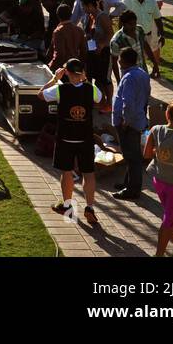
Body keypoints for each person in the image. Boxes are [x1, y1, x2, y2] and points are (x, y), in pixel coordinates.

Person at [40, 58, 103, 227]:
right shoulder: (91, 89)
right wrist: (86, 79)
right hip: (85, 137)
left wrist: (54, 78)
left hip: (66, 137)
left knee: (66, 171)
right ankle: (89, 207)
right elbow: (99, 98)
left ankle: (67, 206)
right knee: (88, 173)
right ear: (82, 73)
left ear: (66, 72)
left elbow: (40, 95)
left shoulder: (60, 89)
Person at [143, 102, 173, 257]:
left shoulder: (155, 130)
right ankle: (159, 254)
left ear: (167, 115)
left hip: (159, 181)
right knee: (168, 220)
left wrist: (158, 152)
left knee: (170, 217)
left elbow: (146, 155)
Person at [111, 47, 150, 200]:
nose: (118, 61)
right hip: (138, 119)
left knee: (132, 157)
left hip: (128, 123)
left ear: (124, 61)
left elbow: (128, 103)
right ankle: (128, 182)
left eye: (120, 59)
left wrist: (126, 121)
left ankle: (132, 190)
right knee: (131, 155)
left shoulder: (128, 78)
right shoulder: (142, 74)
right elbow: (146, 96)